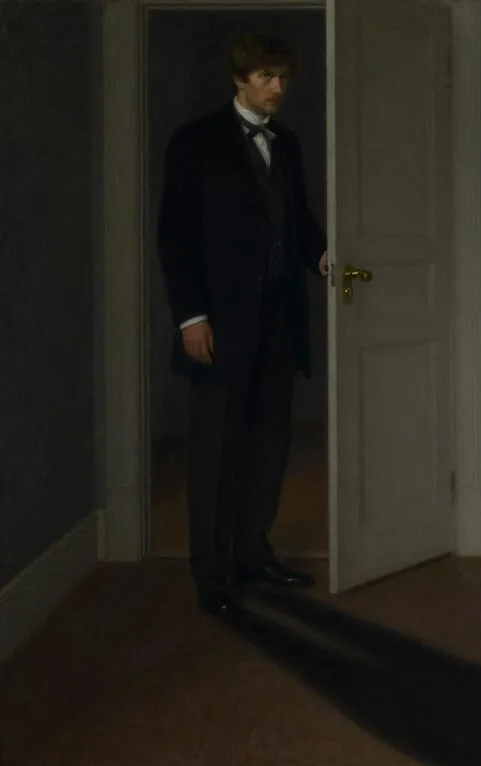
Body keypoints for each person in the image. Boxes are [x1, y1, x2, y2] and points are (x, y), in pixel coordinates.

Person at [157, 34, 328, 615]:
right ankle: (211, 576)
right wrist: (191, 316)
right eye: (265, 77)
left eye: (283, 77)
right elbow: (175, 236)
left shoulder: (287, 143)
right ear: (239, 79)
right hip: (218, 327)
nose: (278, 88)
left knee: (270, 445)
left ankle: (253, 555)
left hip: (278, 324)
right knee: (215, 455)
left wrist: (324, 256)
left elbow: (298, 224)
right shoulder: (196, 142)